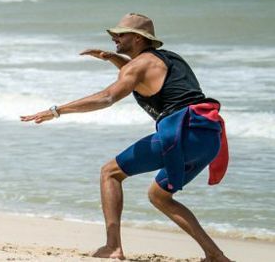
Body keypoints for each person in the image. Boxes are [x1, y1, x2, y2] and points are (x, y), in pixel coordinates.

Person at [20, 13, 230, 261]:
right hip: (208, 137)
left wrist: (56, 111)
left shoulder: (138, 66)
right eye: (113, 35)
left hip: (183, 132)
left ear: (139, 39)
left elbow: (107, 96)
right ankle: (214, 254)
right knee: (159, 196)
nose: (115, 39)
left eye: (120, 35)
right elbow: (144, 77)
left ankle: (113, 247)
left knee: (110, 173)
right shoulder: (169, 59)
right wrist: (114, 59)